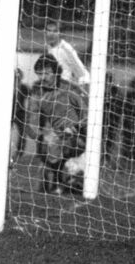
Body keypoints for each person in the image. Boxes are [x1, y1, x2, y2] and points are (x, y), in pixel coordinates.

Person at [23, 54, 86, 195]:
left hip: (80, 138)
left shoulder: (70, 89)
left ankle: (67, 177)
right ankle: (58, 179)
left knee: (78, 178)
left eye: (47, 73)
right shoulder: (37, 93)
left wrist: (75, 127)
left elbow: (88, 115)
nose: (43, 77)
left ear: (56, 72)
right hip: (58, 139)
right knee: (49, 145)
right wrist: (39, 136)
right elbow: (31, 120)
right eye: (40, 74)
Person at [44, 21, 90, 97]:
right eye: (49, 31)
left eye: (55, 31)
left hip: (66, 91)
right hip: (56, 89)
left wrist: (81, 94)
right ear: (45, 32)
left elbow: (82, 73)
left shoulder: (66, 49)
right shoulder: (49, 47)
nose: (51, 34)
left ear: (60, 33)